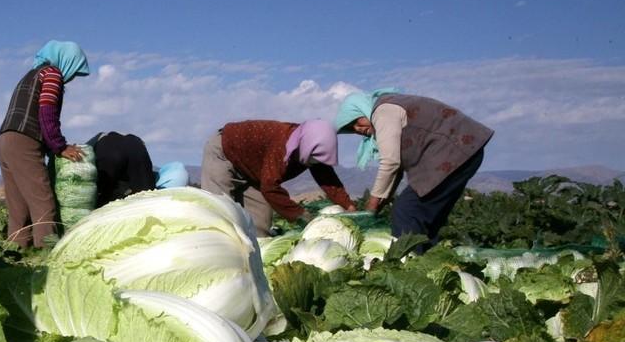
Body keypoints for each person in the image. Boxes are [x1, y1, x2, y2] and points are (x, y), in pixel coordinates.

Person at [334, 89, 493, 247]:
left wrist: (371, 208)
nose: (357, 129)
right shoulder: (388, 107)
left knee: (406, 211)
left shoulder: (382, 112)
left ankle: (407, 264)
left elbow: (390, 163)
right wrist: (381, 203)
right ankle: (427, 260)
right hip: (464, 152)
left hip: (452, 152)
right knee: (425, 218)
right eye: (351, 129)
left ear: (363, 110)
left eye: (356, 122)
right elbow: (397, 170)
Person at [0, 40, 90, 248]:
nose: (72, 77)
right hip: (24, 141)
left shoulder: (30, 75)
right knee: (44, 203)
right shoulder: (52, 74)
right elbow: (46, 112)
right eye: (75, 71)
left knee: (18, 209)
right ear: (67, 61)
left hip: (5, 141)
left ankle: (15, 257)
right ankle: (45, 260)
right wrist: (60, 146)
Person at [199, 119, 356, 234]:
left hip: (251, 171)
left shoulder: (312, 147)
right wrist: (300, 215)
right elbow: (270, 188)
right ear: (306, 148)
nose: (314, 163)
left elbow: (327, 178)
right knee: (221, 214)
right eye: (313, 159)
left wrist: (348, 206)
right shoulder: (282, 145)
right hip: (223, 154)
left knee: (260, 223)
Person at [86, 131, 157, 206]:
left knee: (100, 199)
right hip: (136, 146)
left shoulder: (96, 144)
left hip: (107, 149)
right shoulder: (134, 142)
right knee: (147, 197)